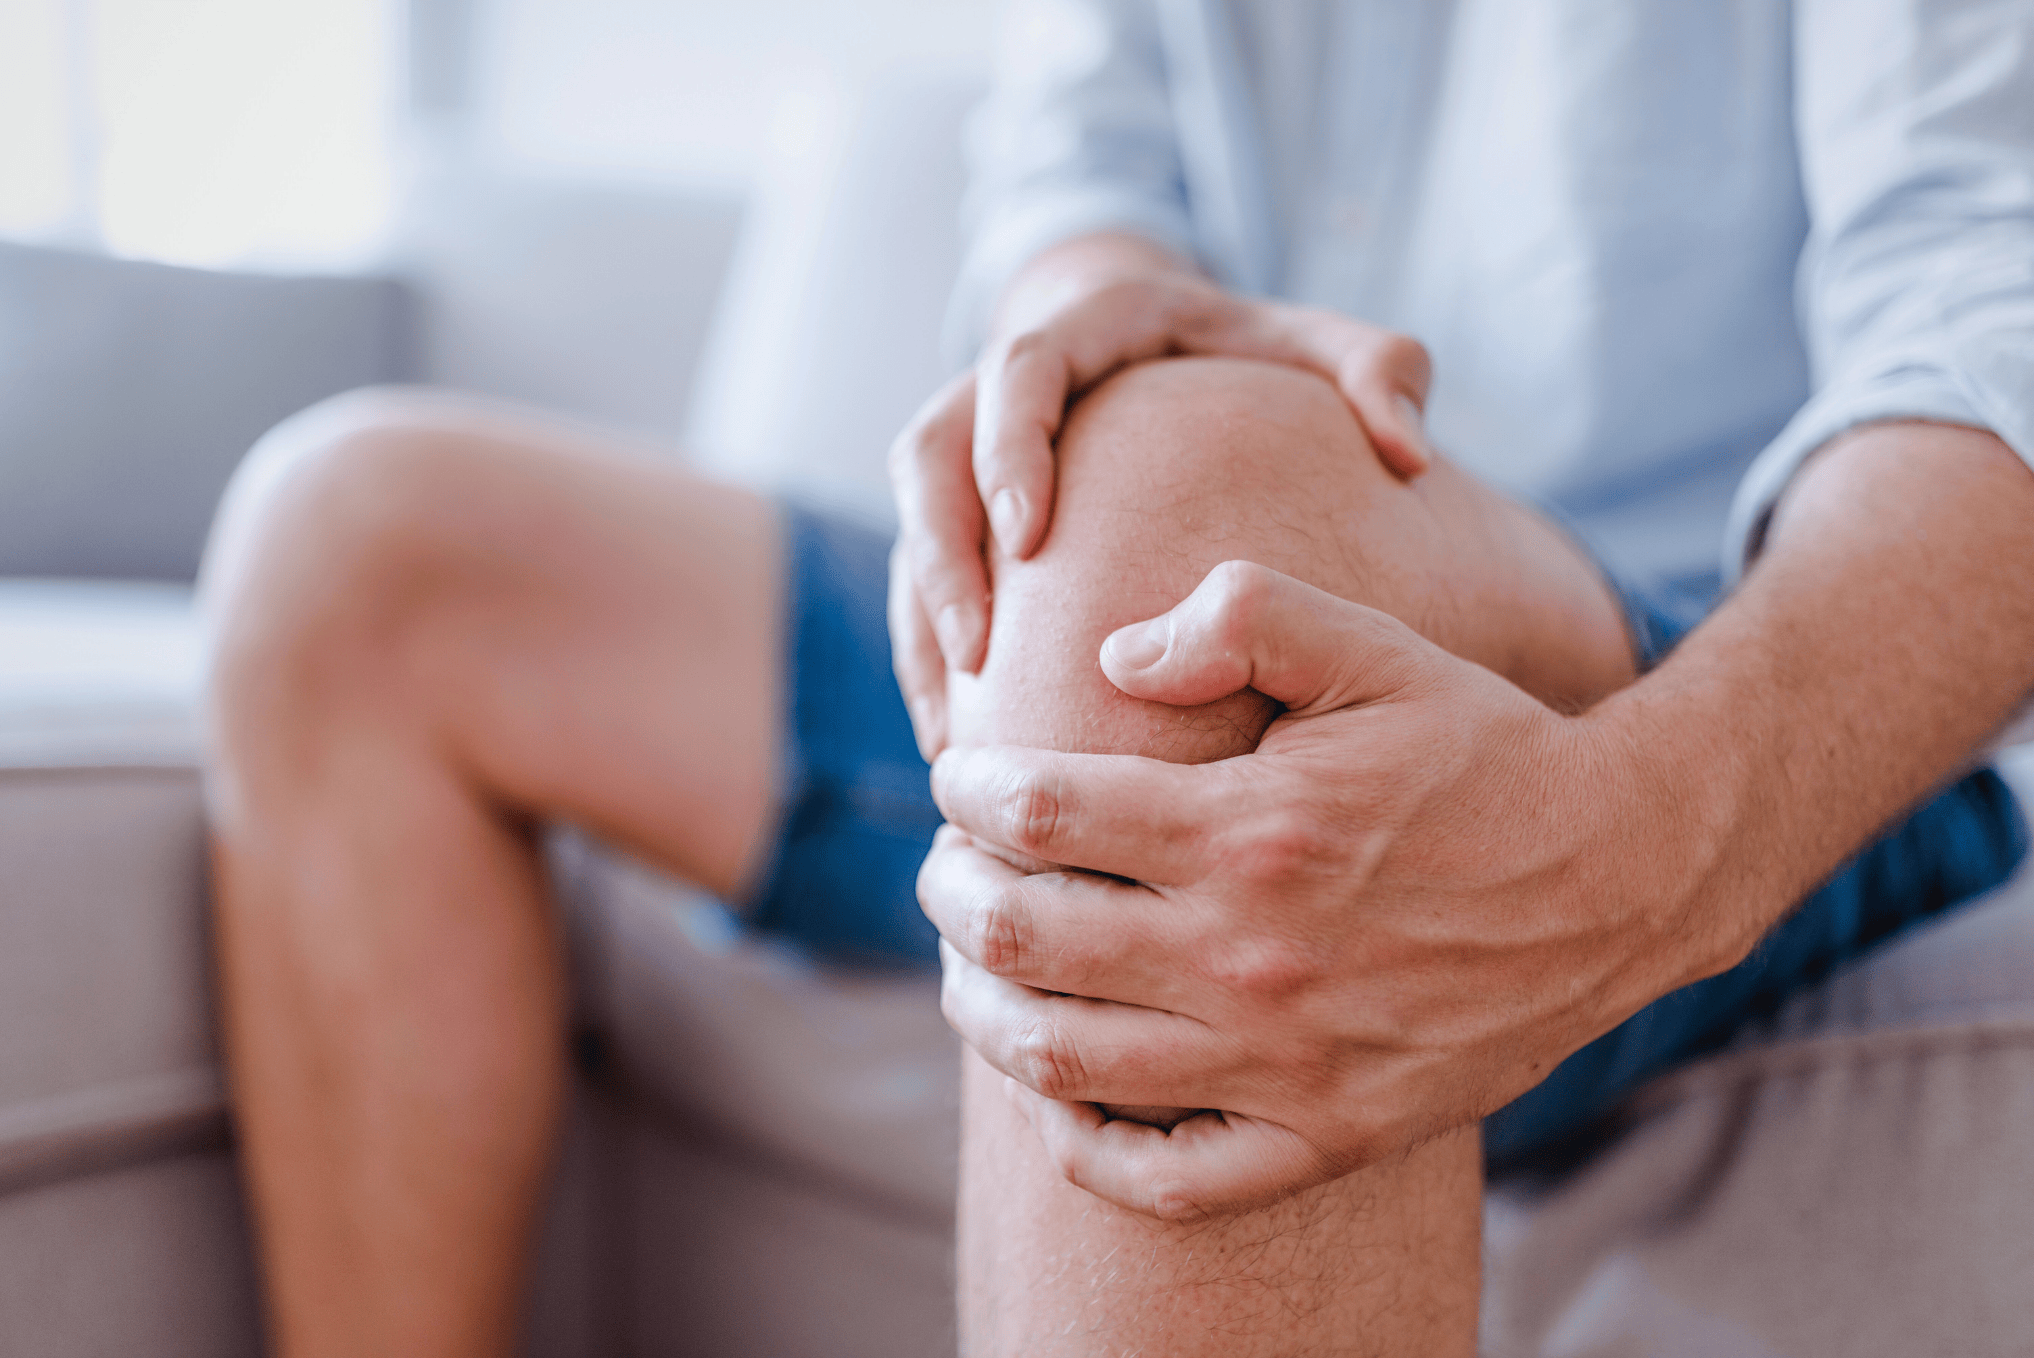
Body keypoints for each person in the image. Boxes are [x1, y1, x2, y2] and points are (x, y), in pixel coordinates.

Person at [197, 3, 2034, 1356]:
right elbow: (1075, 178)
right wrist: (1083, 326)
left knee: (1190, 556)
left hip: (1719, 655)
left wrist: (1642, 832)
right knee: (352, 544)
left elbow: (1992, 332)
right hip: (1156, 575)